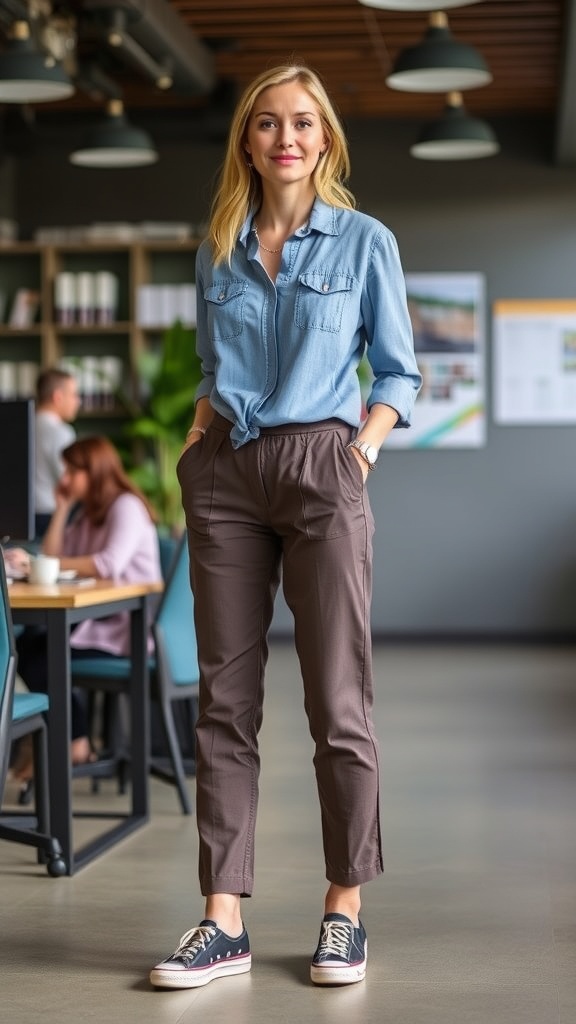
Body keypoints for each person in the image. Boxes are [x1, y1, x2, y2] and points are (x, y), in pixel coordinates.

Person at [149, 64, 422, 991]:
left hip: (321, 469)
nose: (285, 137)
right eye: (266, 123)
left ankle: (345, 906)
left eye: (303, 122)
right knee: (225, 704)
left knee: (337, 703)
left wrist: (362, 452)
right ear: (247, 142)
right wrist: (196, 446)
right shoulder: (217, 247)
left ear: (327, 138)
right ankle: (222, 918)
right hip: (225, 472)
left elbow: (398, 373)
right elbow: (206, 366)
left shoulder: (364, 242)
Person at [13, 435, 162, 778]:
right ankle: (72, 739)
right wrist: (63, 507)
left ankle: (73, 740)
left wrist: (54, 565)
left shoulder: (126, 506)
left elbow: (108, 564)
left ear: (94, 471)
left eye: (71, 471)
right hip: (94, 623)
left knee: (42, 654)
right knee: (27, 647)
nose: (64, 478)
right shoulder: (87, 513)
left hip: (126, 631)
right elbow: (52, 556)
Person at [34, 367, 81, 538]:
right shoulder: (61, 432)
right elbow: (67, 480)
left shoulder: (19, 427)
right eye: (74, 395)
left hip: (20, 516)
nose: (78, 401)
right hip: (51, 517)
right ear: (58, 397)